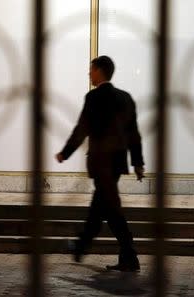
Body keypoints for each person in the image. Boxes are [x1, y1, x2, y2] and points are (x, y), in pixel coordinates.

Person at [55, 55, 144, 272]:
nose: (89, 73)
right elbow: (134, 134)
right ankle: (121, 254)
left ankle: (83, 245)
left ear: (100, 71)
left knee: (106, 208)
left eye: (91, 70)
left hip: (100, 161)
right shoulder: (125, 98)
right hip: (116, 162)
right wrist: (138, 163)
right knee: (108, 208)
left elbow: (81, 129)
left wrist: (65, 153)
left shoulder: (94, 98)